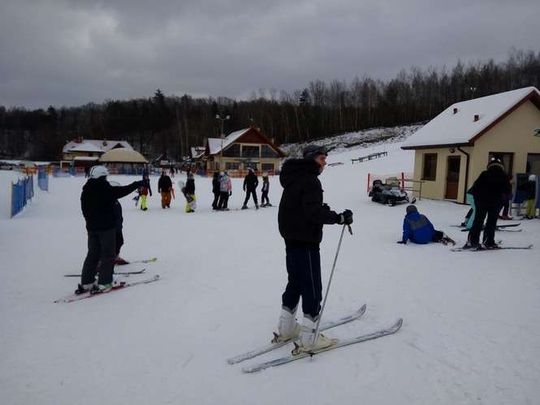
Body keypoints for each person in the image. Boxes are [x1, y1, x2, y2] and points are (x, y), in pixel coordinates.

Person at [275, 144, 353, 354]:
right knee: (311, 286)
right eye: (321, 159)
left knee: (296, 281)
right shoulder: (310, 180)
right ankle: (309, 338)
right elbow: (312, 213)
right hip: (305, 240)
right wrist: (339, 218)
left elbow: (300, 208)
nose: (324, 163)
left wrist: (322, 210)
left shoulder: (294, 177)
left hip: (291, 238)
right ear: (311, 159)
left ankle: (286, 327)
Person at [77, 166, 142, 294]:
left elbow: (84, 210)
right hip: (106, 228)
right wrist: (137, 184)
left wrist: (90, 222)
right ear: (102, 176)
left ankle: (87, 282)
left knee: (92, 254)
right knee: (108, 255)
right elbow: (121, 191)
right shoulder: (104, 188)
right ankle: (105, 282)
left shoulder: (86, 190)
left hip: (92, 228)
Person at [464, 158, 511, 249]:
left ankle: (472, 241)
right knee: (491, 223)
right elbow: (507, 191)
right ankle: (488, 242)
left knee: (478, 221)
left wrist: (477, 200)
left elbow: (475, 187)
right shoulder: (504, 176)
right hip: (495, 203)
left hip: (481, 202)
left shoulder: (484, 174)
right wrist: (502, 201)